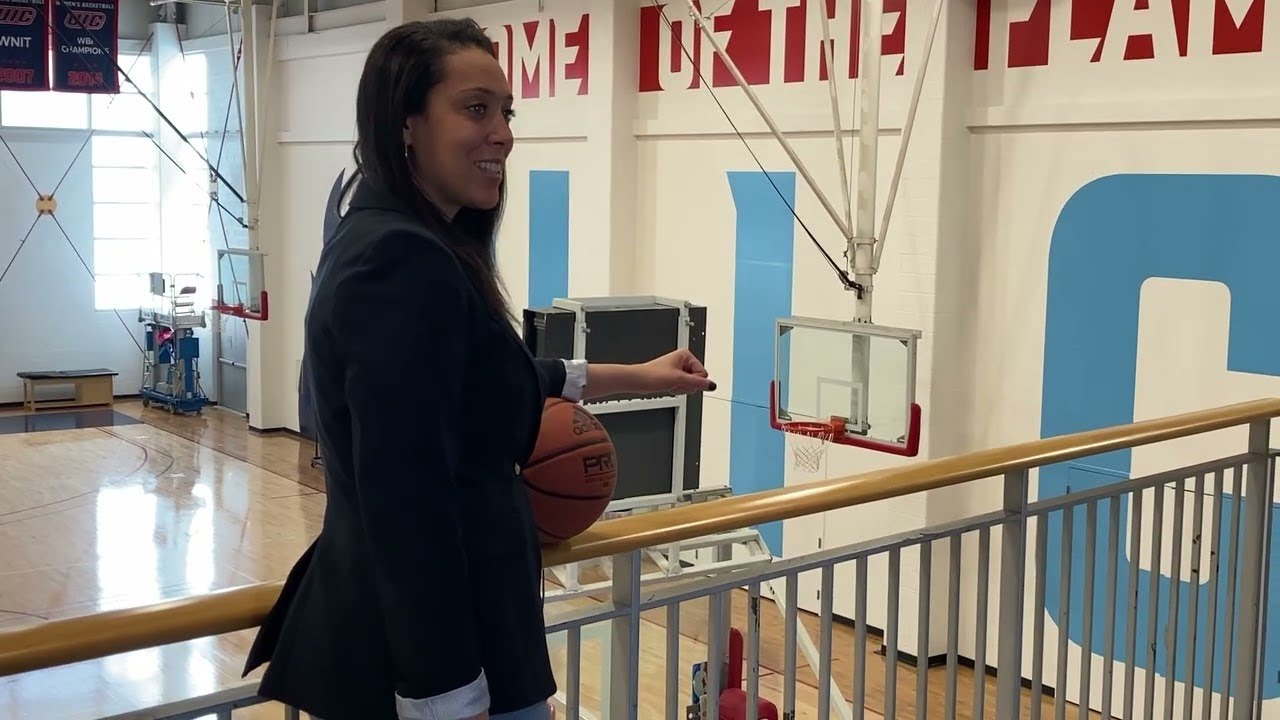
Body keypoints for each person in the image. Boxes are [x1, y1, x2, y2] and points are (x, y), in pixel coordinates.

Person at [241, 18, 716, 720]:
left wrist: (642, 377)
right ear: (406, 124)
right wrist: (447, 697)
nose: (502, 134)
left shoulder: (402, 241)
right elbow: (407, 500)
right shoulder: (400, 262)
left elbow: (487, 381)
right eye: (475, 109)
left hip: (468, 639)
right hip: (438, 658)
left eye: (505, 112)